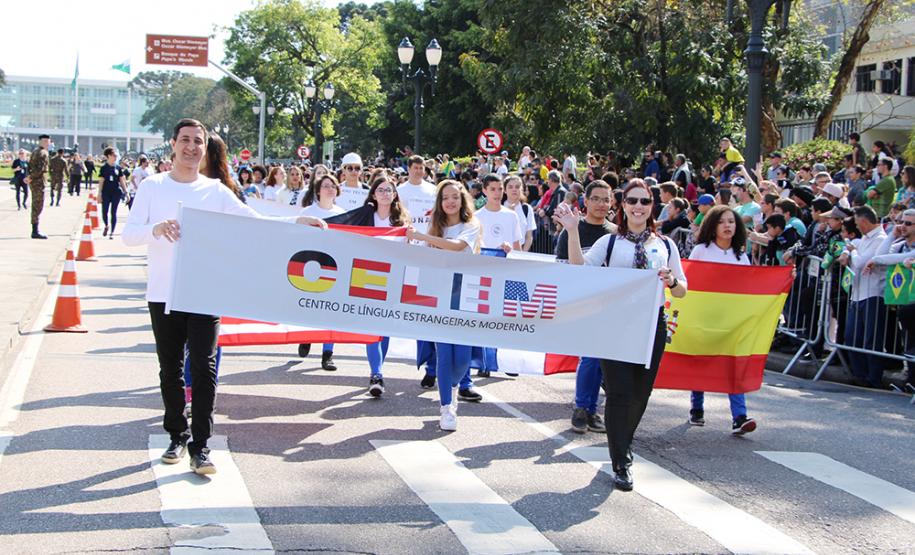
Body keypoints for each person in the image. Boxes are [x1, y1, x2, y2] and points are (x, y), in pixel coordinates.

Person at [122, 119, 325, 474]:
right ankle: (176, 434)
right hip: (163, 293)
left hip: (205, 291)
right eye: (185, 140)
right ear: (172, 144)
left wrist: (296, 222)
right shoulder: (153, 187)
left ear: (204, 146)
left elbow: (252, 220)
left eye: (197, 141)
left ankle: (200, 445)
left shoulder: (214, 191)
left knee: (204, 368)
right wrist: (156, 229)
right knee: (170, 370)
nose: (191, 147)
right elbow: (129, 235)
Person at [556, 178, 687, 491]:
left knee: (641, 393)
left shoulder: (665, 245)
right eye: (632, 201)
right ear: (623, 205)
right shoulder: (610, 242)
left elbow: (682, 290)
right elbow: (579, 267)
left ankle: (622, 442)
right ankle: (621, 459)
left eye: (644, 201)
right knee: (619, 393)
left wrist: (670, 282)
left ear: (652, 206)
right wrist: (572, 230)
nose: (638, 207)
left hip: (650, 325)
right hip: (613, 324)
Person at [406, 180, 483, 431]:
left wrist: (420, 235)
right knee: (443, 354)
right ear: (439, 203)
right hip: (438, 296)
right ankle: (446, 407)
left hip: (465, 297)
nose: (450, 201)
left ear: (462, 201)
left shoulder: (470, 226)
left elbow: (457, 247)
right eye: (445, 198)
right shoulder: (434, 228)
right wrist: (412, 241)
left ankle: (450, 385)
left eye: (455, 197)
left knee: (462, 359)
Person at [686, 205, 757, 434]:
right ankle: (697, 407)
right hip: (705, 317)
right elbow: (690, 284)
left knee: (733, 365)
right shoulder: (701, 251)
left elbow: (747, 287)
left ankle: (739, 416)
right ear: (713, 225)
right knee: (700, 361)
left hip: (732, 320)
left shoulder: (741, 255)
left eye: (732, 221)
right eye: (722, 221)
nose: (728, 226)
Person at [554, 180, 615, 434]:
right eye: (596, 199)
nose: (601, 204)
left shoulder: (615, 233)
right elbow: (562, 269)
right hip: (582, 304)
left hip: (610, 306)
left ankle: (591, 410)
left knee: (603, 360)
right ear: (586, 201)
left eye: (606, 199)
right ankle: (582, 408)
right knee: (590, 356)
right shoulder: (571, 230)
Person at [474, 174, 523, 378]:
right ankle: (486, 360)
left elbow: (518, 246)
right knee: (486, 317)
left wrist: (511, 250)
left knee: (506, 317)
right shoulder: (476, 216)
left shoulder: (511, 216)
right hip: (484, 275)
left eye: (499, 189)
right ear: (484, 191)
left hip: (506, 273)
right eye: (492, 189)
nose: (497, 193)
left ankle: (506, 360)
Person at [298, 174, 346, 370]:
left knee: (331, 310)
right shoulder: (309, 212)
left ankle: (328, 353)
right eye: (326, 186)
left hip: (332, 266)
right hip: (310, 265)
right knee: (310, 307)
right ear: (318, 190)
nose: (330, 189)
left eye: (333, 186)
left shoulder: (343, 213)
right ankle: (307, 336)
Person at [838, 206, 889, 388]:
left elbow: (860, 262)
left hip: (873, 294)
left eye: (858, 223)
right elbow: (848, 246)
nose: (857, 227)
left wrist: (851, 252)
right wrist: (847, 251)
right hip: (857, 294)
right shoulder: (862, 240)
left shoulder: (881, 240)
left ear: (865, 221)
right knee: (851, 337)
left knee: (871, 339)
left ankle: (873, 377)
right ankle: (859, 374)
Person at [98, 147, 128, 239]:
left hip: (116, 192)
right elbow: (101, 181)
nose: (115, 157)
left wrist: (126, 192)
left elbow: (122, 180)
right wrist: (99, 194)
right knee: (105, 211)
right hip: (106, 192)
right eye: (113, 155)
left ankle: (112, 232)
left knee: (113, 212)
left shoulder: (118, 168)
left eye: (116, 155)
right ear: (108, 156)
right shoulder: (104, 168)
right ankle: (106, 225)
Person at [26, 134, 51, 239]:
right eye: (44, 141)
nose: (46, 143)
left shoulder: (35, 151)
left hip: (34, 181)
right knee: (37, 206)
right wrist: (31, 177)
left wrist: (29, 176)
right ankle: (35, 231)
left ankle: (35, 229)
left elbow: (29, 165)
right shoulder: (43, 153)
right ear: (40, 141)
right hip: (38, 182)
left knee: (36, 205)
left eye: (47, 141)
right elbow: (40, 169)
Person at [503, 175, 536, 251]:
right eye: (510, 187)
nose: (514, 189)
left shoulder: (527, 208)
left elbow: (529, 236)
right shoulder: (498, 207)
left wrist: (522, 254)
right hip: (501, 252)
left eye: (517, 187)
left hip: (520, 252)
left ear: (521, 189)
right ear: (505, 190)